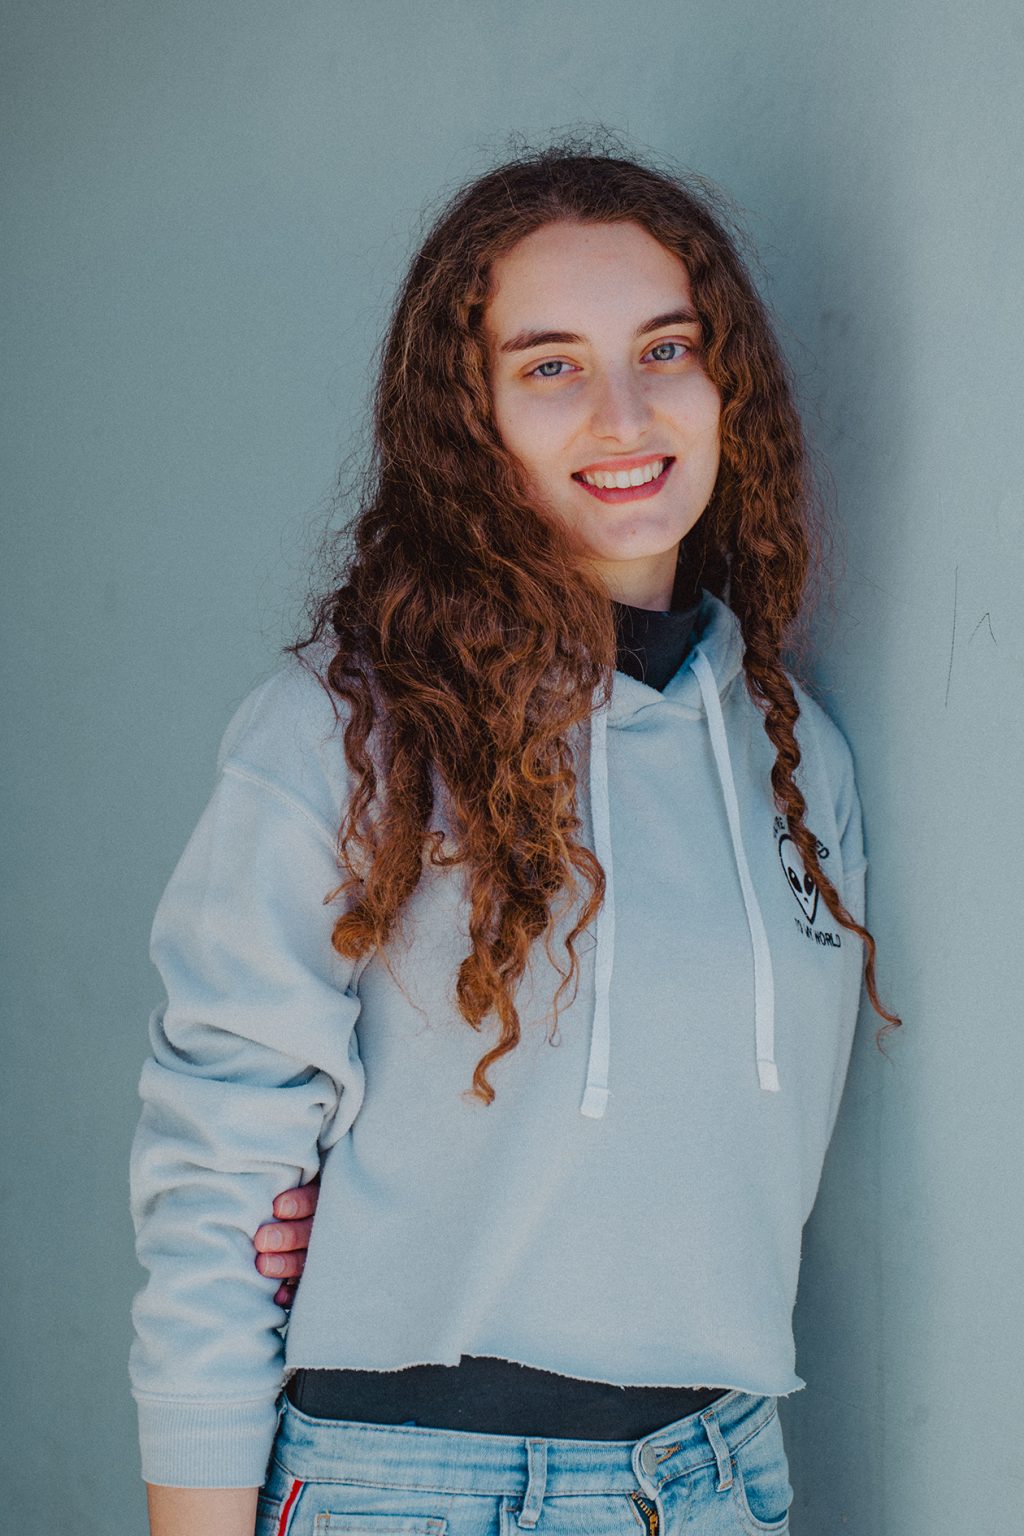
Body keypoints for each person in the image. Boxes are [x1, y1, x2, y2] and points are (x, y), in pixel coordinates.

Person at [129, 137, 899, 1536]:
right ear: (467, 418)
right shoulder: (347, 731)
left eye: (665, 348)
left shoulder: (792, 753)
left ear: (725, 382)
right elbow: (214, 1192)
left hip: (717, 1481)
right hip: (411, 1492)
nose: (624, 412)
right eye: (550, 366)